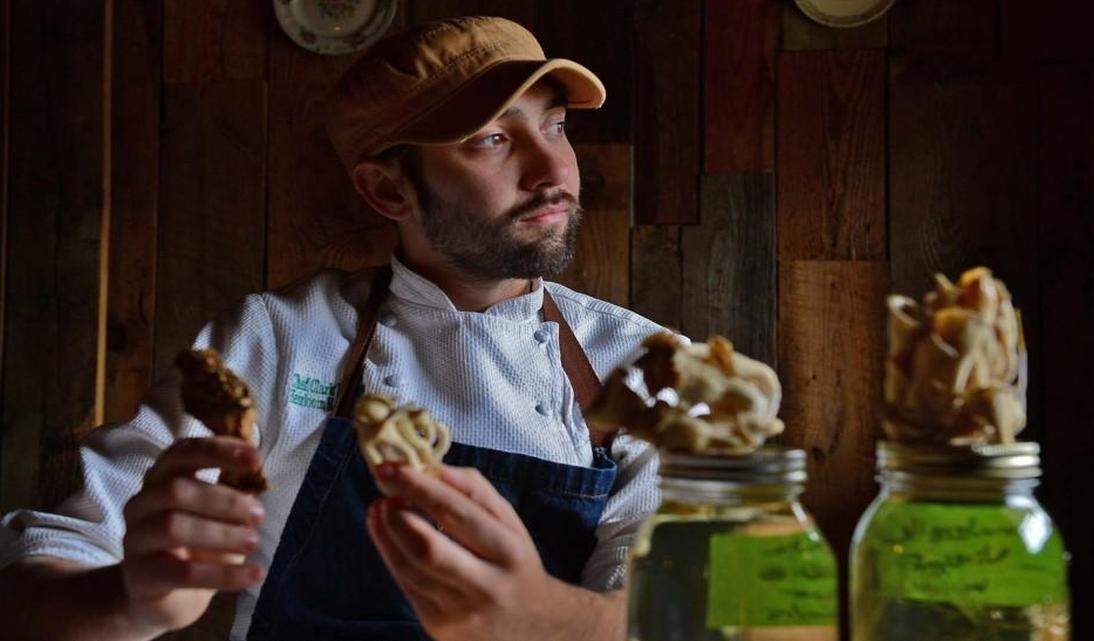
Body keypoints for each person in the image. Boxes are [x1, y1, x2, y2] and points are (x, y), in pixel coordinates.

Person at [0, 15, 677, 641]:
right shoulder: (274, 341)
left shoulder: (646, 364)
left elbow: (680, 605)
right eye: (493, 139)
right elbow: (48, 561)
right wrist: (129, 598)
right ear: (389, 190)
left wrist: (547, 615)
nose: (553, 170)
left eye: (555, 126)